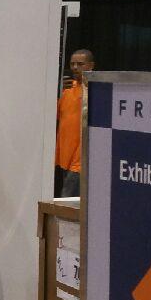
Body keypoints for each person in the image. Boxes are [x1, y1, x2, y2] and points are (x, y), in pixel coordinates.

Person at [55, 49, 94, 198]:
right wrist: (58, 91)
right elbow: (56, 116)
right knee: (69, 199)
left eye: (80, 64)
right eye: (72, 64)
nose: (75, 67)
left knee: (67, 198)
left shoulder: (95, 90)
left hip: (80, 157)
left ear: (91, 66)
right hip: (65, 156)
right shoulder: (68, 90)